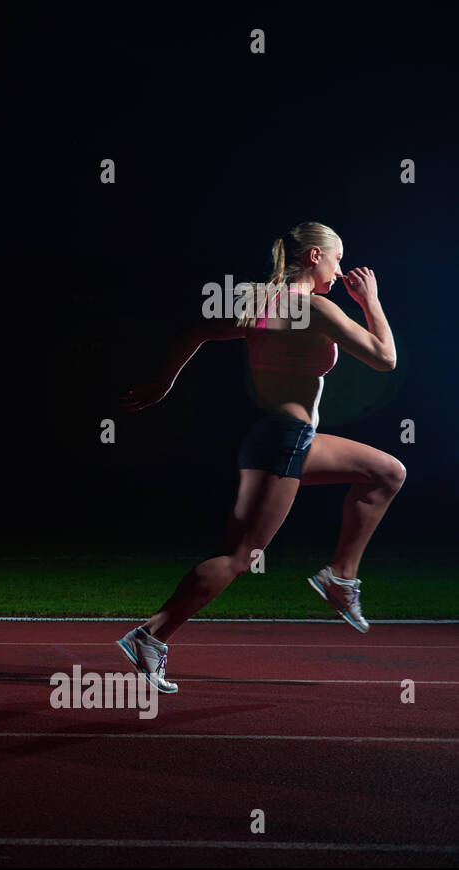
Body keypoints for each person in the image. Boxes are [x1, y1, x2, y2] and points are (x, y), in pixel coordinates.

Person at [118, 222, 402, 693]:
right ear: (314, 256)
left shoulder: (258, 303)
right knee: (240, 555)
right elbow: (384, 357)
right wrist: (370, 299)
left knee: (387, 472)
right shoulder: (315, 308)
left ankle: (340, 578)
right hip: (285, 440)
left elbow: (196, 330)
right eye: (336, 259)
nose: (338, 270)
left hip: (284, 436)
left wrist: (164, 382)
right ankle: (150, 635)